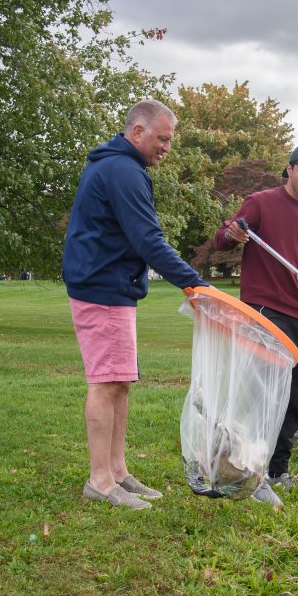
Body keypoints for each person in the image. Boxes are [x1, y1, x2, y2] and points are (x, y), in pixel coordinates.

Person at [63, 98, 208, 510]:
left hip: (113, 289)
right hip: (102, 289)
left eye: (170, 141)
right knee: (106, 382)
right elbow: (148, 240)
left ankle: (119, 471)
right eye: (162, 139)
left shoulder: (120, 166)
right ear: (138, 131)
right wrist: (194, 285)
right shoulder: (123, 170)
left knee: (120, 382)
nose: (166, 147)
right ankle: (100, 481)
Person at [213, 144, 298, 506]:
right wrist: (232, 234)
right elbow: (222, 238)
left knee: (292, 396)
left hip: (295, 316)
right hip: (260, 311)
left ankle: (278, 470)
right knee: (260, 394)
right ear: (289, 169)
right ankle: (250, 470)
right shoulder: (261, 202)